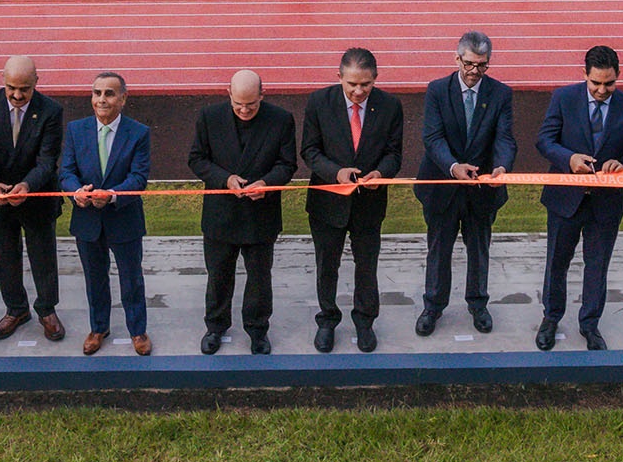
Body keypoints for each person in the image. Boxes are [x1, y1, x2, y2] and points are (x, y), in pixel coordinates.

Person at [534, 45, 623, 351]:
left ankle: (590, 324)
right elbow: (545, 140)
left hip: (606, 204)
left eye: (609, 84)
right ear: (584, 74)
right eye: (596, 83)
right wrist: (568, 158)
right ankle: (551, 318)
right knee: (557, 262)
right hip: (565, 199)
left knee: (597, 265)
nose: (602, 90)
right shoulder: (563, 98)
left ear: (618, 77)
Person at [300, 47, 404, 353]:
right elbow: (310, 151)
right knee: (326, 266)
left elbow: (394, 154)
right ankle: (327, 320)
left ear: (375, 79)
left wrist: (380, 173)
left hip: (369, 205)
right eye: (352, 85)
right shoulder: (319, 102)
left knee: (367, 267)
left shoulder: (390, 106)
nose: (359, 91)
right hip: (327, 203)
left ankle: (364, 321)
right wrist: (336, 173)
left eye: (366, 85)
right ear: (339, 78)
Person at [187, 69, 297, 355]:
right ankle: (215, 327)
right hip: (221, 214)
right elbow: (197, 159)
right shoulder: (209, 117)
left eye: (251, 104)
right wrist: (225, 179)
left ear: (263, 94)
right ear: (228, 93)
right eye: (238, 104)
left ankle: (258, 330)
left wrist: (268, 183)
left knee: (260, 278)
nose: (245, 110)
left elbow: (288, 165)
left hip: (261, 215)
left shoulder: (282, 120)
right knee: (218, 276)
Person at [414, 31, 515, 338]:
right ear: (456, 58)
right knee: (438, 250)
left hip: (482, 191)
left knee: (480, 250)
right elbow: (432, 137)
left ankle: (478, 304)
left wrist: (502, 167)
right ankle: (433, 306)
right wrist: (453, 166)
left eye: (481, 65)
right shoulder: (436, 90)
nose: (474, 72)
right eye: (469, 64)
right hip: (442, 188)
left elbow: (505, 138)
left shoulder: (501, 94)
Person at [0, 55, 66, 344]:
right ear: (2, 79)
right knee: (5, 257)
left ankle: (47, 310)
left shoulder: (51, 110)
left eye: (25, 87)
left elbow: (48, 160)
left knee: (43, 257)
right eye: (12, 87)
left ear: (37, 80)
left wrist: (27, 185)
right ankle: (16, 309)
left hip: (36, 198)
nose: (18, 94)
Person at [60, 72, 152, 356]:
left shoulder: (139, 133)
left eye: (109, 93)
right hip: (87, 221)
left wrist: (111, 196)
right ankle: (98, 327)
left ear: (123, 98)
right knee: (95, 279)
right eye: (97, 93)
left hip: (124, 219)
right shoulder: (76, 130)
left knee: (131, 279)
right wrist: (77, 193)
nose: (102, 99)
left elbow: (138, 178)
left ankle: (138, 331)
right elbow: (66, 172)